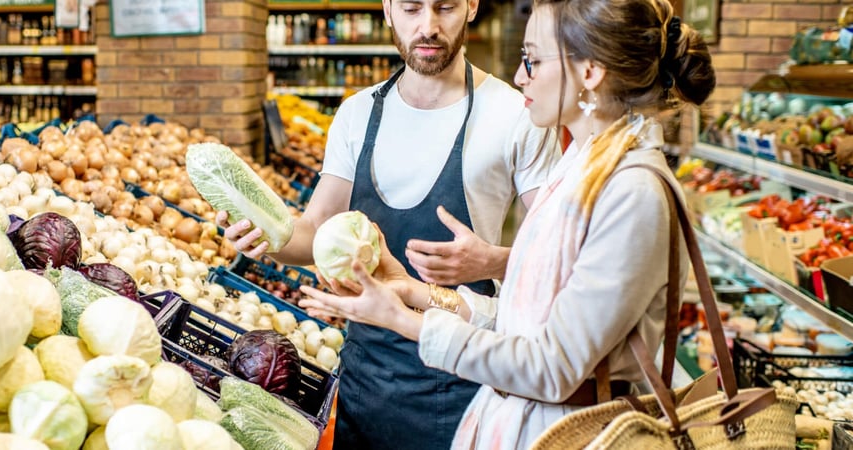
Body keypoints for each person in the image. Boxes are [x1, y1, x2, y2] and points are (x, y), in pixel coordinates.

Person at [299, 0, 717, 448]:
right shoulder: (583, 169)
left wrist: (406, 321)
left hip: (568, 432)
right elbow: (529, 323)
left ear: (591, 72)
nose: (520, 77)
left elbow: (551, 368)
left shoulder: (632, 195)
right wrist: (414, 291)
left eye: (533, 60)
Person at [218, 0, 558, 447]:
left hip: (465, 373)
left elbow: (556, 261)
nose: (428, 26)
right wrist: (267, 236)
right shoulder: (356, 114)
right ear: (387, 9)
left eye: (446, 7)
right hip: (367, 378)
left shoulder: (516, 115)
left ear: (473, 5)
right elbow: (317, 228)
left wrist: (491, 262)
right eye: (413, 8)